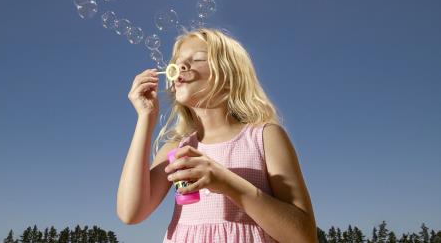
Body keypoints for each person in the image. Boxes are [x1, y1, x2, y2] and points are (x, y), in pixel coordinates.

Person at [117, 28, 318, 243]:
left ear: (230, 77)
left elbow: (304, 236)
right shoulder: (177, 149)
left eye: (197, 59)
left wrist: (225, 182)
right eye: (179, 61)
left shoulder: (264, 137)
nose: (181, 66)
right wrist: (146, 117)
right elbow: (131, 213)